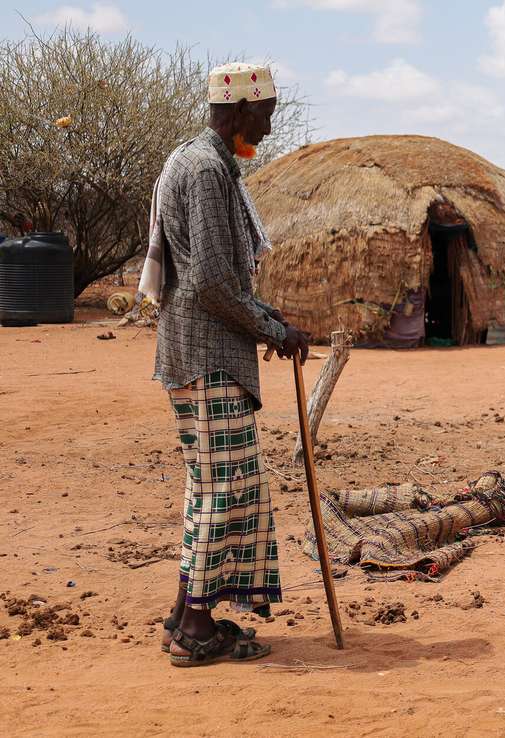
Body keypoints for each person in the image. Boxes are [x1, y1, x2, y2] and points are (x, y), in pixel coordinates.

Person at [145, 62, 309, 666]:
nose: (267, 128)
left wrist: (271, 318)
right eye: (265, 114)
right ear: (241, 110)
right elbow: (213, 280)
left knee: (209, 487)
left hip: (195, 351)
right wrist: (273, 328)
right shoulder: (209, 169)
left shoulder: (195, 160)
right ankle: (193, 630)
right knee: (223, 492)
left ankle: (187, 614)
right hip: (207, 356)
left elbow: (215, 277)